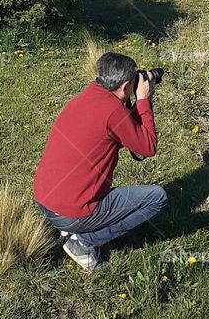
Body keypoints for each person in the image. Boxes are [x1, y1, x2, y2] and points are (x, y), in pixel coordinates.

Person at [34, 51, 168, 272]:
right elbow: (148, 147)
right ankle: (84, 242)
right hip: (71, 212)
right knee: (157, 198)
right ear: (125, 86)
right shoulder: (113, 112)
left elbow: (123, 127)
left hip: (45, 201)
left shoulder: (87, 96)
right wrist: (143, 100)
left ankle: (72, 229)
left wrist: (134, 101)